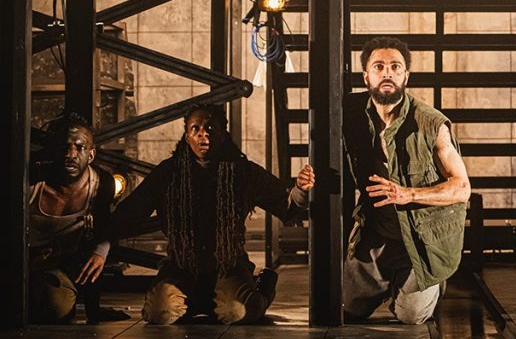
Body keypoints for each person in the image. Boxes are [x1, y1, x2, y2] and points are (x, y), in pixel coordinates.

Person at [99, 104, 314, 324]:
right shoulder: (168, 173)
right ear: (187, 136)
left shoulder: (243, 172)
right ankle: (205, 303)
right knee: (159, 313)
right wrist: (102, 245)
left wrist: (300, 190)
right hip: (181, 268)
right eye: (196, 129)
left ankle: (262, 288)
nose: (204, 134)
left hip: (228, 266)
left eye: (211, 128)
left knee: (238, 312)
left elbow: (285, 205)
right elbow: (131, 210)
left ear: (223, 133)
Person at [341, 36, 471, 325]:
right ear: (366, 76)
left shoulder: (430, 123)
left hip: (420, 243)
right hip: (377, 235)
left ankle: (428, 284)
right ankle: (387, 282)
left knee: (411, 316)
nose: (387, 73)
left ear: (406, 76)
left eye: (395, 67)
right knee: (346, 308)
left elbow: (462, 188)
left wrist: (408, 194)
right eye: (378, 66)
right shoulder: (351, 112)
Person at [27, 112, 129, 323]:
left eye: (80, 147)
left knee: (56, 305)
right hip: (20, 264)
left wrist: (94, 312)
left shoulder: (100, 184)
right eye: (64, 147)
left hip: (57, 270)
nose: (71, 154)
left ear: (90, 155)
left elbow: (101, 235)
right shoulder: (32, 181)